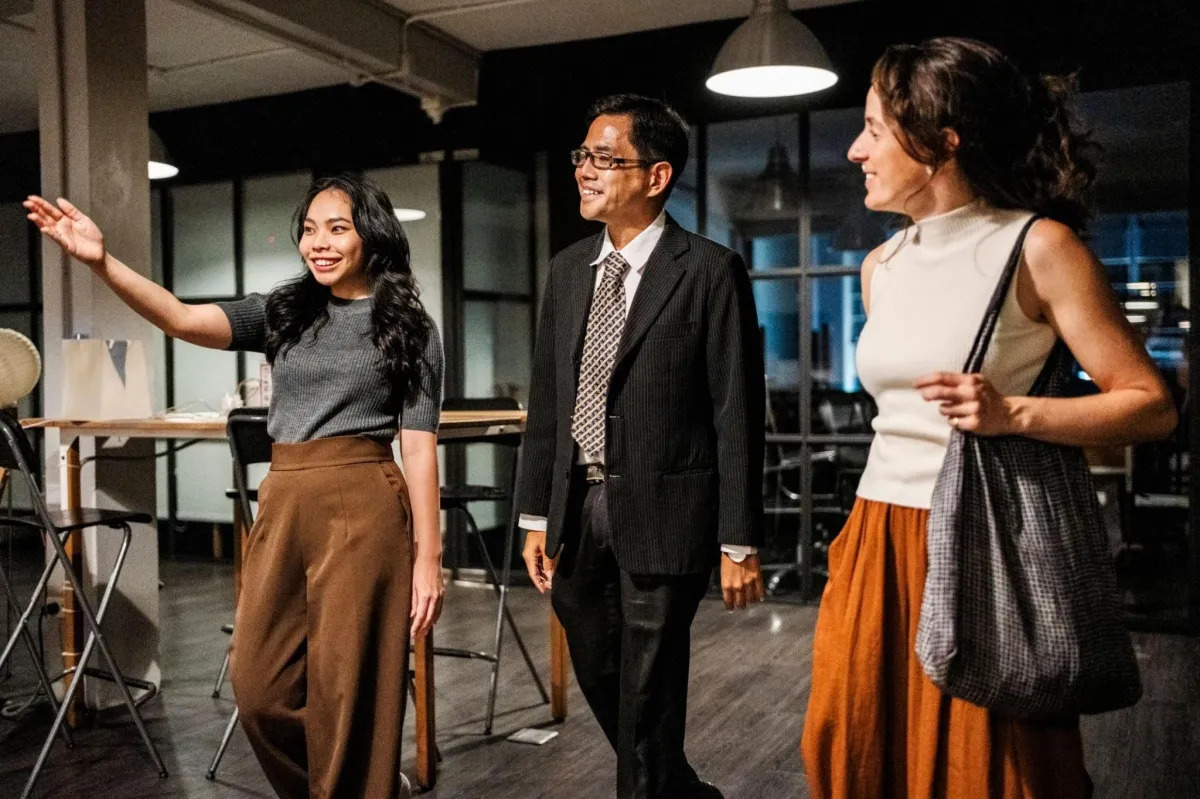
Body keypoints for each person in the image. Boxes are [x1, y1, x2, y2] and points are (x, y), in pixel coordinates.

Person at [800, 37, 1177, 798]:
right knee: (853, 747)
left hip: (984, 535)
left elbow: (1152, 405)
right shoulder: (881, 267)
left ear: (943, 140)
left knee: (991, 769)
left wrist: (1016, 413)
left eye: (874, 129)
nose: (854, 150)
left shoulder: (1038, 246)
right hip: (879, 534)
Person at [25, 173, 445, 799]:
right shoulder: (285, 310)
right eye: (309, 230)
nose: (318, 243)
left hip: (365, 501)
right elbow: (181, 318)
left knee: (349, 689)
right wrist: (102, 261)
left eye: (337, 228)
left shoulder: (407, 324)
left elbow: (418, 445)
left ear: (373, 235)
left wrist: (429, 559)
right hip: (282, 498)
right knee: (259, 689)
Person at [515, 93, 766, 799]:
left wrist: (739, 539)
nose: (585, 171)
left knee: (651, 687)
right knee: (602, 662)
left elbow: (736, 411)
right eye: (582, 156)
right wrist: (536, 512)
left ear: (655, 177)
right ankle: (680, 786)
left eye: (604, 158)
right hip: (579, 500)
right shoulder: (568, 271)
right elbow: (549, 405)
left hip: (669, 505)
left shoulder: (711, 271)